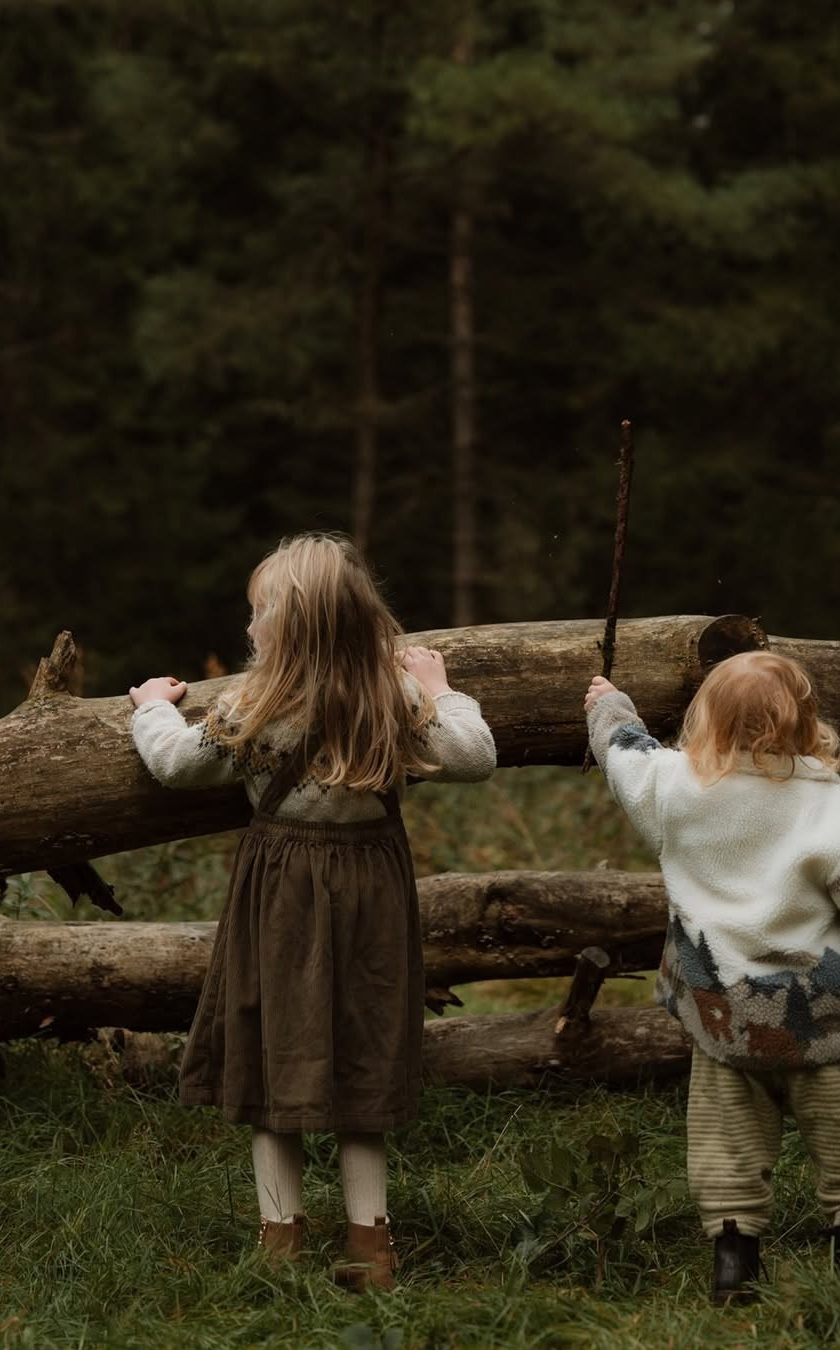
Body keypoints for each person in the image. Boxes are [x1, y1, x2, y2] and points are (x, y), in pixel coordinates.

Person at [129, 533, 496, 1289]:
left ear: (289, 628)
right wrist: (442, 685)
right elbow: (474, 754)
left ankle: (280, 1241)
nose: (249, 628)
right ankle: (371, 1246)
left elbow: (174, 764)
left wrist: (151, 710)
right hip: (373, 892)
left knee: (273, 1051)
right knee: (364, 1050)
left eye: (259, 613)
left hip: (283, 893)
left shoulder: (253, 702)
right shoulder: (393, 698)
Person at [584, 650, 840, 1306]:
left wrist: (608, 703)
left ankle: (734, 1258)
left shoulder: (675, 789)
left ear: (708, 718)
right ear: (808, 721)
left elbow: (623, 755)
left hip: (723, 1010)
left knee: (727, 1135)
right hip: (821, 1015)